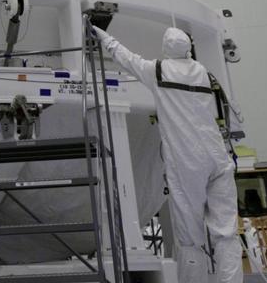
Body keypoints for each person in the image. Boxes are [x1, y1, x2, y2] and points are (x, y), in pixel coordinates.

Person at [92, 24, 242, 283]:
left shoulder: (158, 70)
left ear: (166, 48)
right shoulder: (205, 74)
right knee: (226, 232)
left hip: (188, 160)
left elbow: (125, 57)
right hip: (217, 156)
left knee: (190, 236)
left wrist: (100, 33)